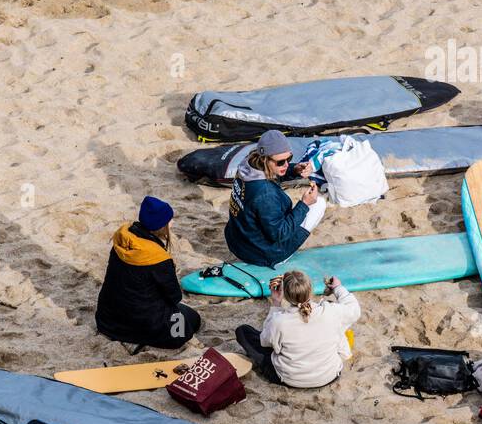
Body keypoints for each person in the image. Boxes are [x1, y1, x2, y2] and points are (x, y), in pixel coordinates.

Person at [96, 196, 201, 352]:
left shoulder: (122, 242)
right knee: (191, 321)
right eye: (169, 221)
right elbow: (174, 297)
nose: (171, 223)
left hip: (108, 321)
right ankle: (141, 338)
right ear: (161, 226)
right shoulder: (157, 258)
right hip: (145, 323)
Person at [234, 271, 360, 388]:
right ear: (311, 290)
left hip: (289, 379)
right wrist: (338, 288)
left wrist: (276, 304)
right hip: (330, 375)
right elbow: (354, 308)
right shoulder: (331, 311)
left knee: (243, 332)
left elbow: (265, 342)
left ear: (286, 296)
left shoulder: (279, 321)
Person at [224, 130, 326, 267]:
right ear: (264, 159)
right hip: (261, 255)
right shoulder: (266, 194)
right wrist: (304, 204)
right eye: (280, 162)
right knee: (319, 203)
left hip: (237, 242)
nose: (285, 164)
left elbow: (270, 172)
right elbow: (280, 234)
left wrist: (293, 169)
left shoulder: (248, 164)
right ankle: (281, 260)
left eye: (289, 159)